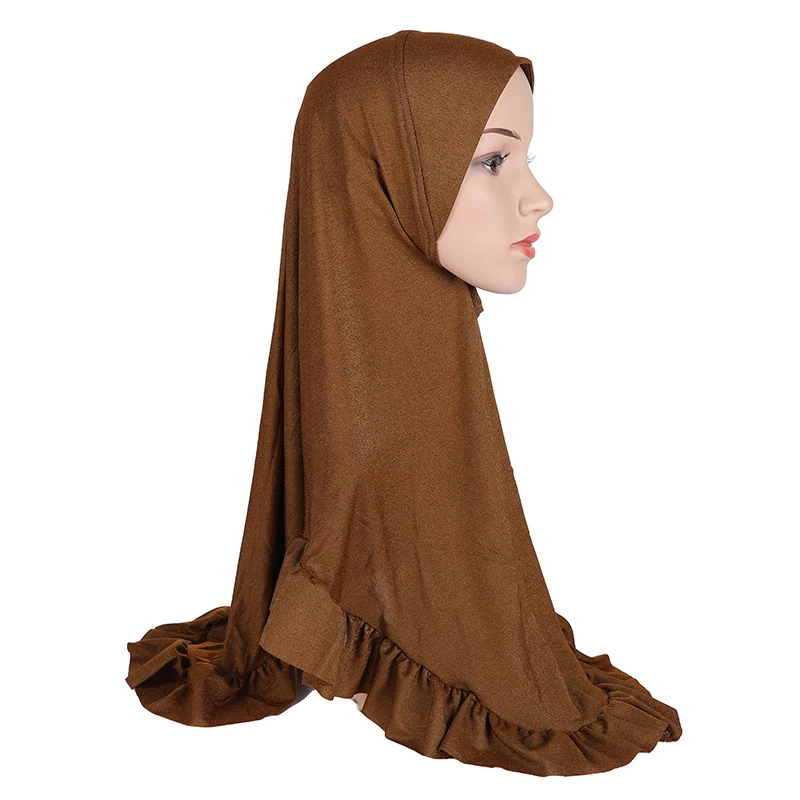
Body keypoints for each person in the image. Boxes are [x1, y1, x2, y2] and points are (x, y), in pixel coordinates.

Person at [125, 29, 681, 777]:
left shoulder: (415, 358)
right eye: (492, 160)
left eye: (523, 158)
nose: (538, 197)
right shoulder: (373, 435)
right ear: (377, 173)